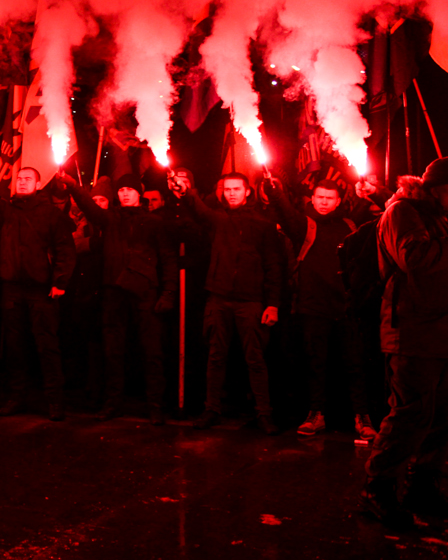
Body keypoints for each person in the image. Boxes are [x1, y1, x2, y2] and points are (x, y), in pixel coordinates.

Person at [360, 160, 448, 530]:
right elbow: (416, 259)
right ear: (437, 188)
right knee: (410, 413)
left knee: (441, 414)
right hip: (411, 330)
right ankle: (377, 490)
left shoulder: (437, 215)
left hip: (440, 330)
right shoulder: (402, 211)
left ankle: (422, 483)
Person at [64, 173, 177, 423]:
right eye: (121, 189)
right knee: (112, 351)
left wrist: (168, 292)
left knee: (151, 351)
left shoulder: (154, 222)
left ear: (139, 192)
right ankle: (113, 402)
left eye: (130, 189)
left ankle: (155, 405)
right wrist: (73, 185)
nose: (124, 193)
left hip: (145, 290)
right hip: (114, 290)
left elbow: (168, 258)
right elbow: (89, 207)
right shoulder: (110, 219)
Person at [265, 177, 373, 438]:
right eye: (320, 197)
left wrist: (371, 192)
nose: (324, 202)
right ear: (312, 199)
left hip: (346, 306)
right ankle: (316, 414)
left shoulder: (350, 224)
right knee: (316, 363)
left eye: (329, 198)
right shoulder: (304, 225)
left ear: (338, 202)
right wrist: (275, 190)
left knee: (355, 364)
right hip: (313, 306)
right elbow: (285, 211)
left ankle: (362, 416)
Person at [176, 172, 284, 434]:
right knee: (215, 356)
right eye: (227, 189)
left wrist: (273, 304)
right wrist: (186, 190)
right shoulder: (218, 219)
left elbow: (273, 266)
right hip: (219, 297)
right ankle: (211, 409)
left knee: (255, 359)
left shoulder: (263, 223)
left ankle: (264, 413)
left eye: (237, 188)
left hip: (251, 301)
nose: (232, 193)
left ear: (248, 191)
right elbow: (199, 209)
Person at [0, 166, 75, 419]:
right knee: (14, 348)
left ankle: (55, 401)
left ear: (38, 185)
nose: (22, 182)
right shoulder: (7, 211)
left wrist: (60, 282)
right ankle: (17, 397)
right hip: (12, 290)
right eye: (19, 179)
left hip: (42, 291)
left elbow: (65, 250)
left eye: (28, 179)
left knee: (47, 346)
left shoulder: (51, 214)